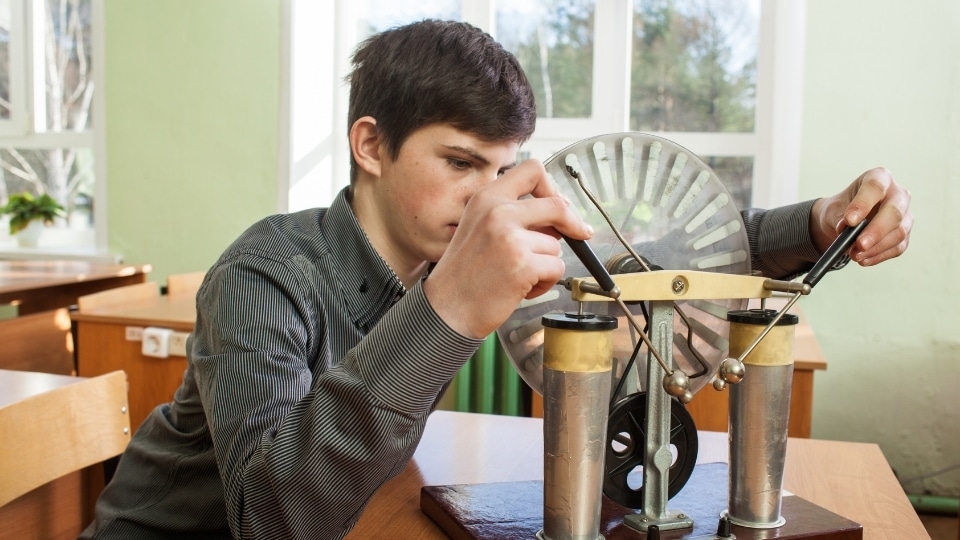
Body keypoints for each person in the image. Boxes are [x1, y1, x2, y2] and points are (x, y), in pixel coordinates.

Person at [80, 19, 912, 540]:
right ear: (370, 146)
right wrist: (446, 311)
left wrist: (813, 225)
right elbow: (270, 518)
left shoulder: (450, 252)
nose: (489, 197)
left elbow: (645, 265)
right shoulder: (263, 278)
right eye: (459, 162)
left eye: (503, 169)